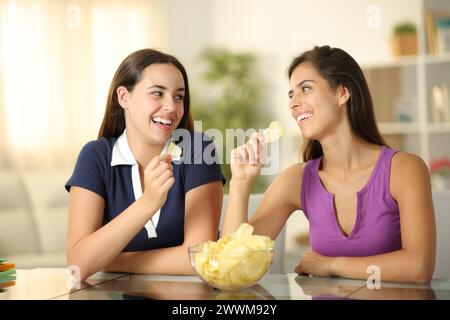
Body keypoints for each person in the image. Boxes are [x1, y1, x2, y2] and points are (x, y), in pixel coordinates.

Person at [222, 45, 436, 284]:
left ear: (342, 93)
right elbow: (234, 263)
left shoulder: (404, 169)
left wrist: (332, 265)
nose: (293, 103)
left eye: (305, 89)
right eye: (291, 94)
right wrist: (240, 183)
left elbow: (419, 267)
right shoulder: (298, 179)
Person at [65, 49, 225, 281]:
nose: (171, 106)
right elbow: (78, 264)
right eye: (157, 93)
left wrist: (112, 259)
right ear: (124, 97)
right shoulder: (95, 156)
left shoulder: (198, 149)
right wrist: (149, 202)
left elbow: (199, 259)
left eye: (179, 96)